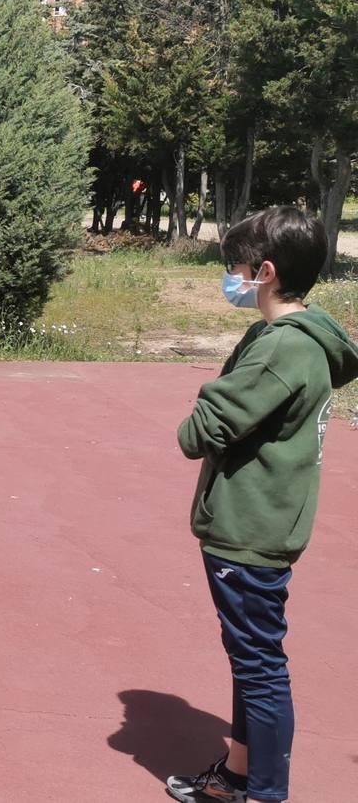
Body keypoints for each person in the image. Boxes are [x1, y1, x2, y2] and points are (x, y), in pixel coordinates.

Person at [165, 207, 356, 803]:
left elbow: (197, 432)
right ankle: (238, 776)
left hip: (252, 528)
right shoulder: (287, 338)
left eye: (236, 269)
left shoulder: (281, 350)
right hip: (255, 522)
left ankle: (266, 793)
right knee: (250, 660)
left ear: (265, 272)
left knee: (260, 668)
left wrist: (210, 398)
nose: (232, 279)